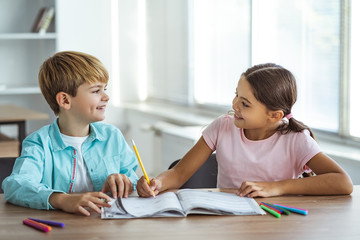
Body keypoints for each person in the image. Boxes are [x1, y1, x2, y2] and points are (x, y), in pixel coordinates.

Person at [137, 63, 353, 198]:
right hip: (228, 221)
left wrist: (277, 187)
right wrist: (158, 182)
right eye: (236, 95)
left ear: (275, 115)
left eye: (245, 103)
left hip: (277, 223)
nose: (234, 105)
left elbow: (343, 182)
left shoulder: (296, 140)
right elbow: (178, 173)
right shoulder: (223, 126)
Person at [2, 51, 138, 216]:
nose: (106, 97)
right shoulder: (38, 143)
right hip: (61, 229)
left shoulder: (112, 137)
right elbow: (15, 185)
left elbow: (132, 178)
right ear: (65, 100)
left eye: (105, 89)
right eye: (96, 91)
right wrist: (62, 199)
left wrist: (127, 182)